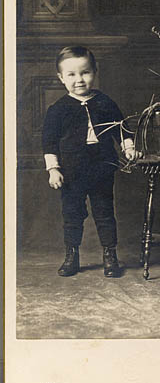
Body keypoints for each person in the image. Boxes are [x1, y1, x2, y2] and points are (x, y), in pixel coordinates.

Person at [42, 46, 140, 278]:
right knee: (72, 214)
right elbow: (49, 142)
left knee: (105, 212)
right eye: (72, 75)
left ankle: (110, 255)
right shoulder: (58, 109)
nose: (79, 80)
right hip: (71, 171)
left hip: (101, 167)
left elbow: (122, 128)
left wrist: (129, 148)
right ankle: (72, 255)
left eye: (85, 73)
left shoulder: (105, 102)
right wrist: (53, 169)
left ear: (95, 72)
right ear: (61, 78)